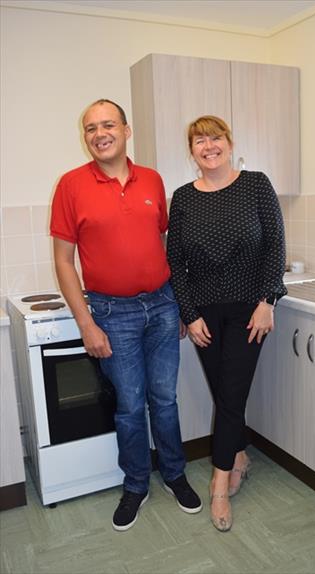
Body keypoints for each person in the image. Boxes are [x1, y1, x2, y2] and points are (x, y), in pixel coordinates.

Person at [50, 99, 202, 531]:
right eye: (91, 128)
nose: (100, 133)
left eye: (108, 124)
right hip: (111, 312)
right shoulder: (70, 185)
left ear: (126, 130)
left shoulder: (152, 179)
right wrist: (86, 323)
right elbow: (64, 260)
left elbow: (165, 245)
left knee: (165, 400)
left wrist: (177, 305)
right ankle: (136, 483)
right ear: (86, 137)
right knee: (131, 406)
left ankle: (174, 474)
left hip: (162, 303)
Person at [166, 115, 287, 532]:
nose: (208, 146)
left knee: (231, 396)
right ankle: (238, 456)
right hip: (204, 314)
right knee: (225, 392)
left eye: (215, 137)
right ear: (192, 150)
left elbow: (275, 245)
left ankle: (219, 486)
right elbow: (175, 263)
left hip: (248, 312)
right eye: (199, 140)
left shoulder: (256, 184)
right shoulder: (182, 197)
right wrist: (189, 313)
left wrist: (267, 300)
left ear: (229, 142)